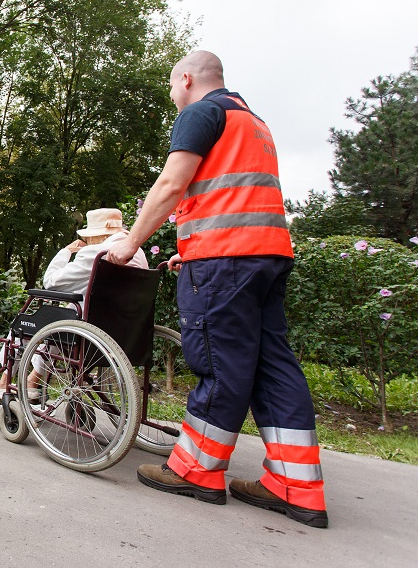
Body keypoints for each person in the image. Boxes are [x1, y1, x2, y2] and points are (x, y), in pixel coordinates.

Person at [105, 51, 327, 528]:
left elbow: (171, 185)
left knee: (220, 362)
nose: (172, 96)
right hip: (265, 256)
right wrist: (197, 245)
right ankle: (296, 485)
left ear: (186, 79)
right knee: (273, 364)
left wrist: (129, 242)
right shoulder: (256, 124)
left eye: (171, 87)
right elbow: (236, 197)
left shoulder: (201, 113)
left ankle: (196, 471)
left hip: (225, 262)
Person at [0, 208, 147, 398]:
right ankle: (32, 380)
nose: (87, 241)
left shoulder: (96, 253)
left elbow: (52, 283)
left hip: (90, 333)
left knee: (25, 325)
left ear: (99, 236)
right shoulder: (138, 253)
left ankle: (4, 382)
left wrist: (66, 251)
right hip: (128, 333)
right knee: (64, 319)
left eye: (89, 237)